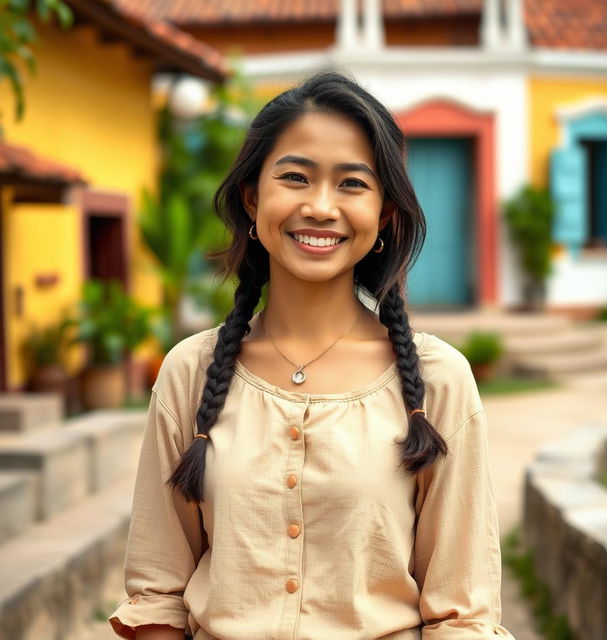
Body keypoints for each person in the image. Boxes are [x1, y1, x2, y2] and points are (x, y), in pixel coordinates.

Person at [109, 70, 514, 640]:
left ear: (385, 215)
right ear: (253, 198)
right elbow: (158, 593)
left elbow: (463, 616)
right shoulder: (190, 374)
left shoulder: (436, 381)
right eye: (295, 177)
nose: (321, 207)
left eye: (352, 184)